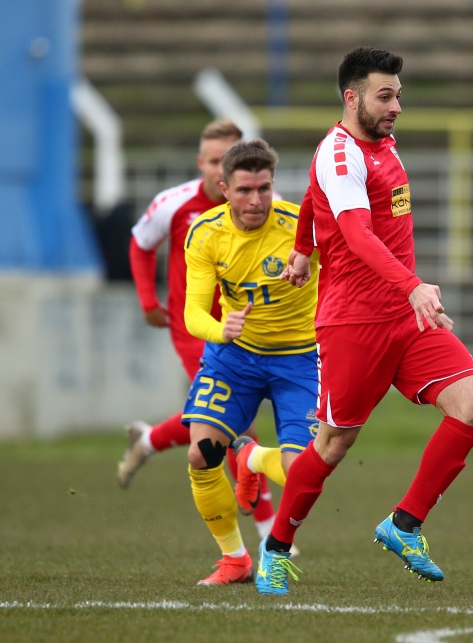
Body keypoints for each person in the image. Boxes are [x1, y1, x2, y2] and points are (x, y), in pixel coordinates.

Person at [254, 46, 473, 596]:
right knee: (334, 444)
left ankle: (404, 525)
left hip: (405, 318)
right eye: (385, 97)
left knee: (472, 407)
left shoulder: (379, 142)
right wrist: (412, 283)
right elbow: (356, 233)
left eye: (399, 97)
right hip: (353, 324)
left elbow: (314, 199)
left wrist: (301, 249)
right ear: (351, 97)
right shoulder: (341, 154)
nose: (397, 108)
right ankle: (277, 550)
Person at [119, 118, 277, 542]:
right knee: (237, 422)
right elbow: (140, 243)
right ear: (203, 163)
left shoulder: (263, 202)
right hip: (194, 327)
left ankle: (148, 440)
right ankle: (268, 529)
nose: (215, 169)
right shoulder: (174, 203)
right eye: (211, 161)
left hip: (246, 326)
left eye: (224, 160)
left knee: (213, 420)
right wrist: (149, 301)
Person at [182, 139, 320, 585]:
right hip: (234, 355)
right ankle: (236, 559)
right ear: (224, 188)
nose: (255, 200)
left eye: (263, 188)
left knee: (301, 474)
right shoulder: (205, 233)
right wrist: (223, 330)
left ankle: (253, 459)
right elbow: (194, 313)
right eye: (244, 190)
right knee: (202, 454)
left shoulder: (303, 226)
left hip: (299, 359)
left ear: (273, 184)